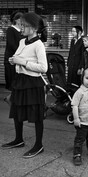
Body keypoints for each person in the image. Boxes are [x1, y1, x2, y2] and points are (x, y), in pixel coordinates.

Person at [2, 12, 48, 159]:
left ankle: (38, 145)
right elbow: (20, 58)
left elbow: (43, 68)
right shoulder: (22, 41)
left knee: (36, 115)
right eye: (21, 25)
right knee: (17, 110)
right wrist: (13, 60)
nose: (21, 28)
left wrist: (23, 62)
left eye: (24, 25)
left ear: (34, 28)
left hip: (33, 83)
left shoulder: (38, 44)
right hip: (20, 81)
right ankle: (18, 139)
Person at [4, 11, 23, 105]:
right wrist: (21, 52)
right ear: (17, 20)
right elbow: (12, 44)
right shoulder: (11, 30)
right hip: (11, 59)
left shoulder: (21, 31)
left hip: (18, 59)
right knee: (13, 80)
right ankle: (11, 99)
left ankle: (11, 98)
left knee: (17, 80)